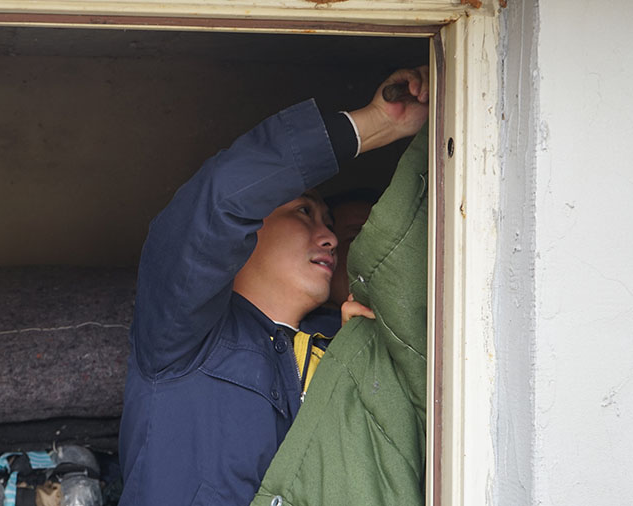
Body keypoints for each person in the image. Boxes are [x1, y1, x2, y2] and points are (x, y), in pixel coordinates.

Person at [118, 67, 429, 506]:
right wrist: (378, 124)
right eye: (304, 212)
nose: (330, 236)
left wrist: (357, 362)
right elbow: (222, 197)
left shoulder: (338, 344)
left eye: (328, 222)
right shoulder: (181, 337)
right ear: (247, 231)